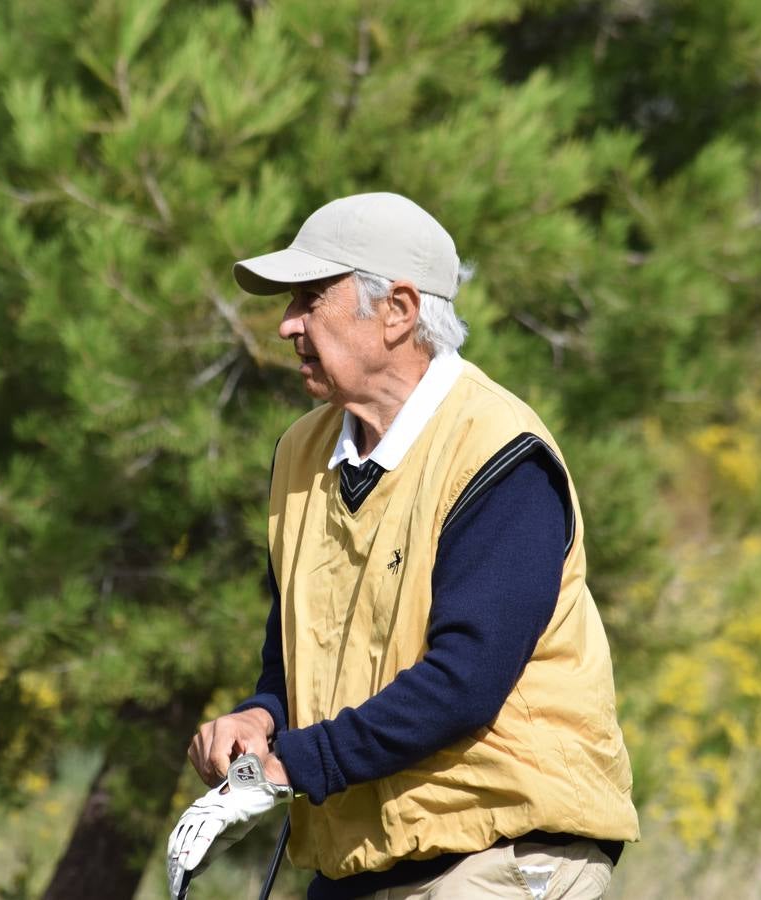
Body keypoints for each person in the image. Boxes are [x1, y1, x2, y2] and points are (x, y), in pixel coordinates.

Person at [172, 192, 639, 899]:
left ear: (397, 310)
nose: (284, 325)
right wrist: (260, 720)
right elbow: (293, 663)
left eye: (308, 298)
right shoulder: (301, 452)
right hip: (363, 859)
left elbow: (464, 683)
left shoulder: (498, 453)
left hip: (504, 851)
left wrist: (291, 765)